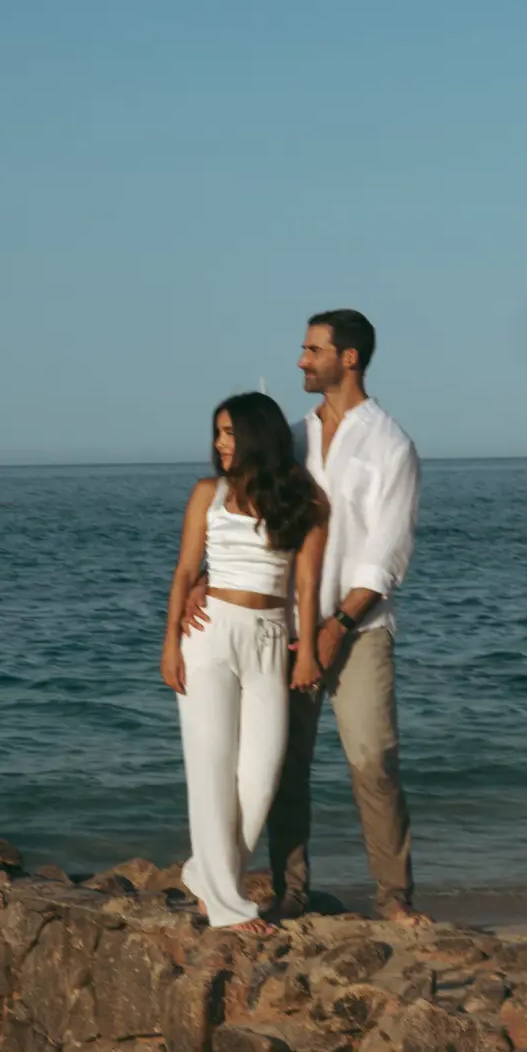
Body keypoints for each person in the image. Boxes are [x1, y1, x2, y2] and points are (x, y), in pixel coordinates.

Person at [185, 310, 425, 926]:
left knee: (372, 760)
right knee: (282, 765)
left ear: (348, 358)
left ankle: (394, 898)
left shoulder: (391, 445)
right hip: (283, 631)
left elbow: (386, 556)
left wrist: (334, 627)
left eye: (312, 349)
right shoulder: (289, 437)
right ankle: (291, 891)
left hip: (358, 628)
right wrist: (206, 582)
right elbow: (251, 520)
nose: (300, 360)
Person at [162, 393, 328, 934]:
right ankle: (228, 907)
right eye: (217, 433)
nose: (220, 443)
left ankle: (204, 874)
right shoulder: (207, 494)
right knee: (210, 770)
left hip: (270, 639)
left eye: (230, 432)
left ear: (257, 435)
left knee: (260, 776)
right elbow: (187, 572)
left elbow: (307, 582)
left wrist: (306, 650)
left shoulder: (303, 497)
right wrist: (169, 644)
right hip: (208, 635)